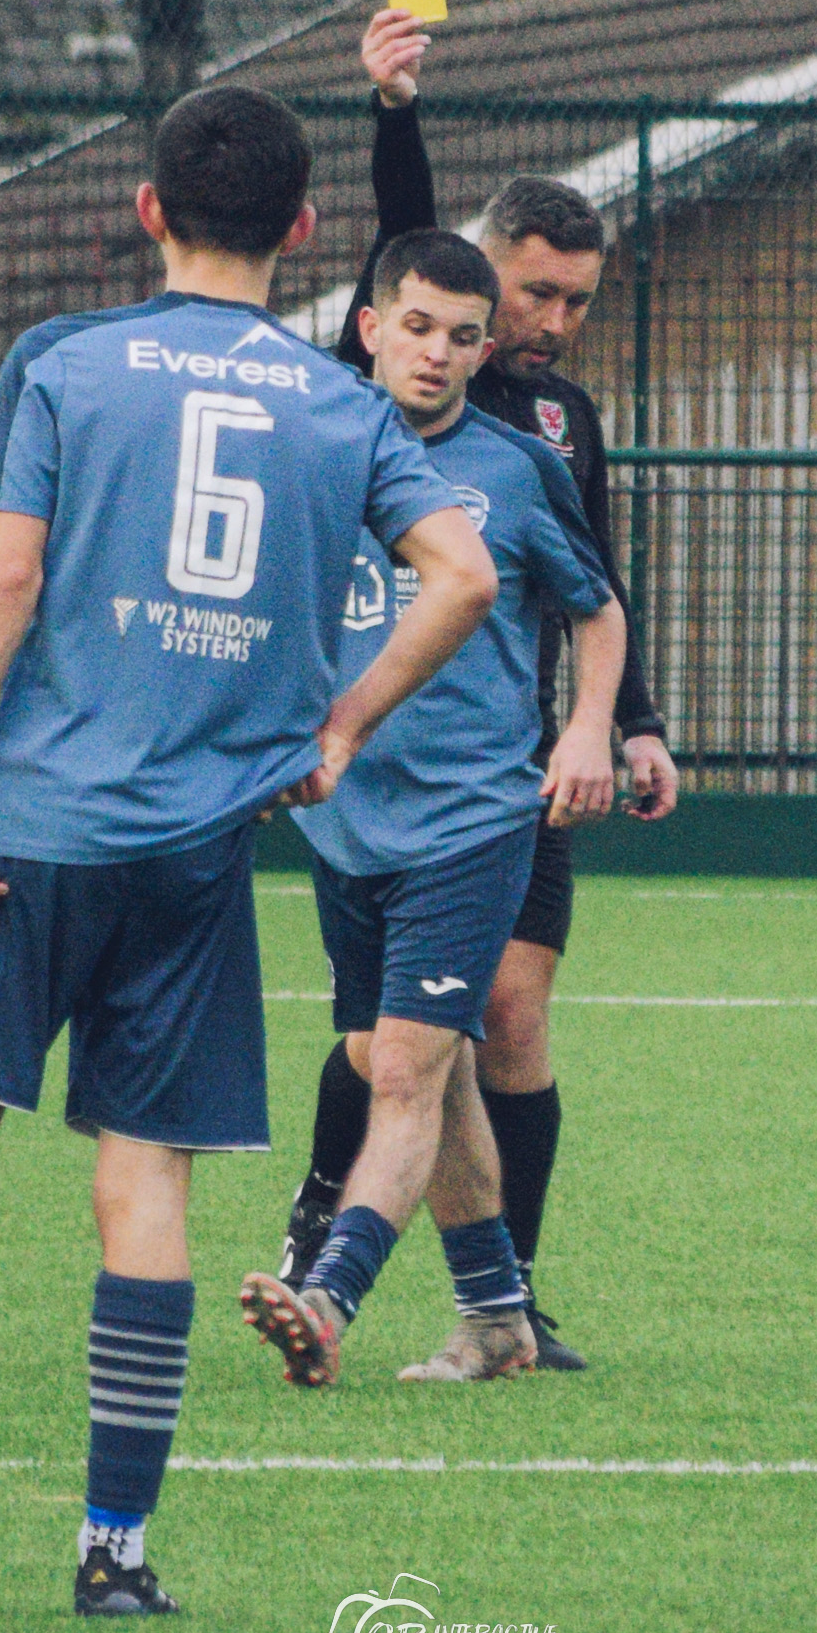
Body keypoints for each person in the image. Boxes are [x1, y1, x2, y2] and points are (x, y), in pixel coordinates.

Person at [0, 87, 497, 1622]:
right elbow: (463, 572)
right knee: (141, 1185)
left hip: (28, 830)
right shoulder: (340, 403)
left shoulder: (65, 361)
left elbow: (8, 572)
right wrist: (336, 730)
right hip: (197, 853)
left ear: (147, 210)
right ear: (300, 235)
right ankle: (116, 1555)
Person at [277, 7, 678, 1370]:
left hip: (490, 785)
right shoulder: (360, 392)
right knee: (398, 1050)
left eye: (575, 302)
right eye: (532, 296)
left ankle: (380, 1287)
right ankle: (476, 1297)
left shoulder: (546, 435)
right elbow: (407, 245)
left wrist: (618, 725)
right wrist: (391, 108)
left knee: (474, 1028)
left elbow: (596, 588)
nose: (545, 325)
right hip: (356, 798)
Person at [241, 228, 626, 1387]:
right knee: (421, 1067)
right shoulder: (304, 453)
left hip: (472, 818)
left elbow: (596, 607)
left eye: (465, 335)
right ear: (368, 327)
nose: (439, 354)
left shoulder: (513, 467)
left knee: (409, 1065)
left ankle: (326, 1297)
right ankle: (497, 1314)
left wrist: (589, 725)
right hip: (345, 822)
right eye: (415, 327)